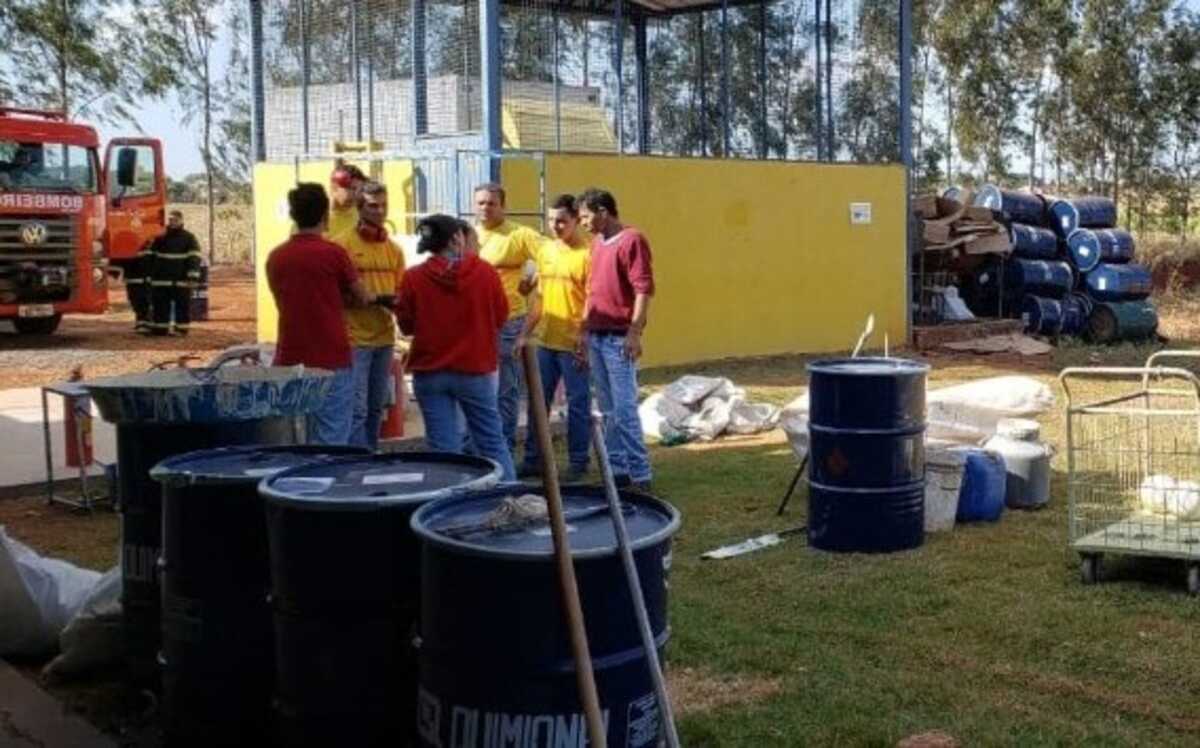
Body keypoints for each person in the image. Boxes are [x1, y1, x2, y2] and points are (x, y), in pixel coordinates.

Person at [395, 214, 516, 481]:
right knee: (492, 442)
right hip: (476, 369)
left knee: (443, 449)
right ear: (456, 238)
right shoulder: (485, 273)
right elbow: (501, 317)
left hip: (430, 371)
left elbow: (406, 326)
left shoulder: (413, 278)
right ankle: (510, 499)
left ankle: (447, 508)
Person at [266, 183, 381, 445]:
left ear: (293, 215)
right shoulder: (334, 254)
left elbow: (283, 297)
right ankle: (328, 483)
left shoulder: (276, 257)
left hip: (289, 357)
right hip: (332, 356)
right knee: (332, 435)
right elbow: (362, 297)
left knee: (295, 435)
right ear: (324, 216)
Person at [577, 188, 655, 491]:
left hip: (618, 339)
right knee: (608, 410)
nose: (582, 222)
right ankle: (617, 470)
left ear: (602, 212)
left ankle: (641, 473)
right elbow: (591, 290)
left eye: (585, 216)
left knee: (624, 410)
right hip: (596, 336)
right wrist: (584, 331)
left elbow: (643, 290)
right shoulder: (596, 244)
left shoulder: (632, 240)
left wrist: (634, 332)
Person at [519, 194, 592, 481]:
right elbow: (538, 297)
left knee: (578, 404)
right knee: (538, 402)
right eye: (550, 220)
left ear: (575, 220)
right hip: (544, 342)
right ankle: (533, 459)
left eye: (562, 220)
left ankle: (578, 462)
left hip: (573, 343)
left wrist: (584, 338)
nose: (555, 226)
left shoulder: (587, 254)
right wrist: (524, 334)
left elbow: (592, 300)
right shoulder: (545, 251)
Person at [333, 180, 405, 450]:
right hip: (354, 339)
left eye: (384, 205)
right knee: (357, 409)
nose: (380, 211)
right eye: (374, 206)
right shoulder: (342, 246)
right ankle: (354, 464)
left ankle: (370, 458)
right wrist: (370, 299)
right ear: (360, 208)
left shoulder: (394, 250)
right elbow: (337, 294)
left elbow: (400, 291)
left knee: (377, 407)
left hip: (384, 338)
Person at [473, 183, 542, 454]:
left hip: (509, 321)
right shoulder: (469, 236)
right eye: (480, 203)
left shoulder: (519, 234)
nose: (485, 208)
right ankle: (479, 449)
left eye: (491, 203)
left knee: (505, 390)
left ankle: (504, 447)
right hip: (475, 324)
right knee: (477, 387)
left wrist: (531, 279)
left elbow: (550, 257)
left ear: (503, 205)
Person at [146, 210, 202, 336]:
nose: (172, 222)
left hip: (181, 280)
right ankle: (160, 329)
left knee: (182, 306)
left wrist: (192, 276)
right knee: (160, 305)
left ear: (182, 221)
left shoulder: (189, 238)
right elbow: (150, 256)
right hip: (161, 279)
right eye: (170, 220)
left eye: (175, 220)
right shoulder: (159, 237)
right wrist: (149, 274)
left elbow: (194, 258)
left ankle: (181, 330)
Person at [327, 159, 367, 239]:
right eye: (350, 188)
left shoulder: (362, 218)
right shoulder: (314, 218)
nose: (354, 195)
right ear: (333, 187)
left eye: (359, 190)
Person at [124, 240, 154, 334]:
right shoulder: (129, 246)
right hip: (137, 280)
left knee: (144, 302)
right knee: (139, 302)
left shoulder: (155, 246)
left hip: (140, 280)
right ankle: (142, 323)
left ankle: (145, 323)